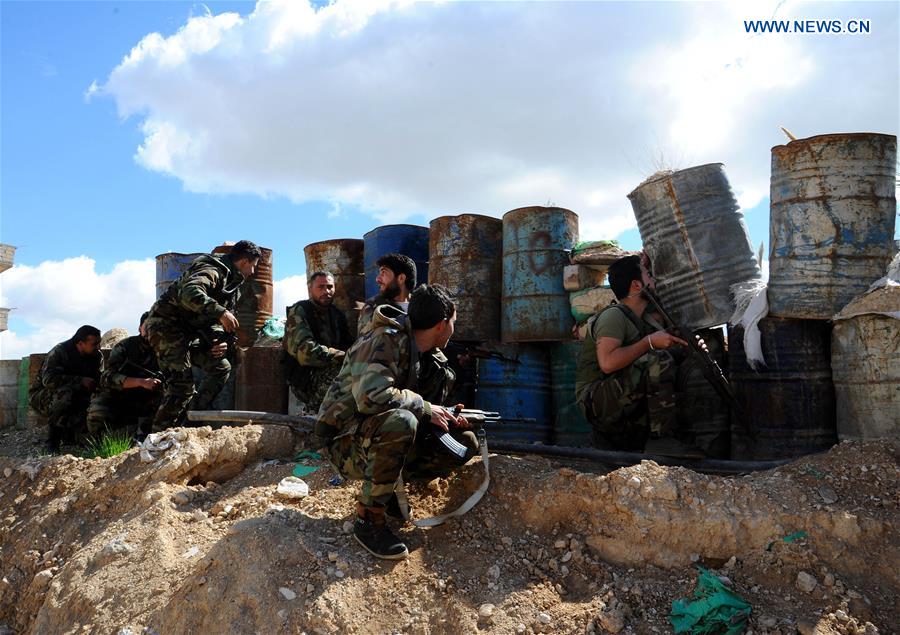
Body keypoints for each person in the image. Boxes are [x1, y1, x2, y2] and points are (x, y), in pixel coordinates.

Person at [316, 284, 477, 560]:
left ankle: (388, 490)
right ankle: (369, 519)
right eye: (453, 322)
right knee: (402, 421)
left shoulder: (428, 356)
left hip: (374, 435)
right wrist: (425, 408)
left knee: (464, 443)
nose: (454, 328)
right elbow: (372, 397)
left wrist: (445, 416)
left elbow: (418, 407)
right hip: (345, 442)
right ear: (441, 324)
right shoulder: (384, 340)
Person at [574, 254, 701, 458]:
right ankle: (661, 440)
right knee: (658, 360)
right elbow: (607, 363)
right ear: (636, 285)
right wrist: (648, 342)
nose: (654, 280)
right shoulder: (613, 316)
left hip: (620, 399)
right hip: (596, 403)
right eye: (649, 276)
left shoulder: (644, 317)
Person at [144, 240, 261, 432]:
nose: (253, 272)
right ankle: (157, 437)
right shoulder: (212, 270)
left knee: (220, 367)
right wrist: (221, 312)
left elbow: (217, 322)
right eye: (254, 266)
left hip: (190, 332)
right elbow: (189, 292)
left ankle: (189, 423)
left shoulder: (231, 282)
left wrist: (219, 341)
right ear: (245, 261)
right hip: (167, 327)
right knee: (181, 385)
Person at [283, 271, 353, 412]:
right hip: (305, 378)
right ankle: (312, 411)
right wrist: (341, 355)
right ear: (310, 289)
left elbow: (350, 346)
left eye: (329, 287)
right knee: (344, 373)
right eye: (320, 287)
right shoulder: (300, 311)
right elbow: (305, 353)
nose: (326, 291)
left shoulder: (337, 315)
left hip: (329, 370)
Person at [86, 312, 162, 440]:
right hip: (123, 395)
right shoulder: (125, 347)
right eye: (147, 327)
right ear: (140, 328)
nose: (151, 331)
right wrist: (141, 382)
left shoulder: (166, 348)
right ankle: (103, 444)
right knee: (97, 410)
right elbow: (107, 378)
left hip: (153, 399)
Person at [29, 325, 102, 452]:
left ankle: (84, 439)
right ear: (80, 343)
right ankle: (53, 443)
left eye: (99, 343)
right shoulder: (60, 352)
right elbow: (49, 380)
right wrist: (80, 381)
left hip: (78, 394)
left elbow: (98, 379)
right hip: (44, 396)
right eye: (94, 344)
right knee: (65, 394)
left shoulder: (96, 356)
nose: (98, 347)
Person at [356, 253, 416, 334]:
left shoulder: (421, 306)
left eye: (383, 272)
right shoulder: (372, 307)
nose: (377, 279)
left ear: (401, 278)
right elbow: (364, 343)